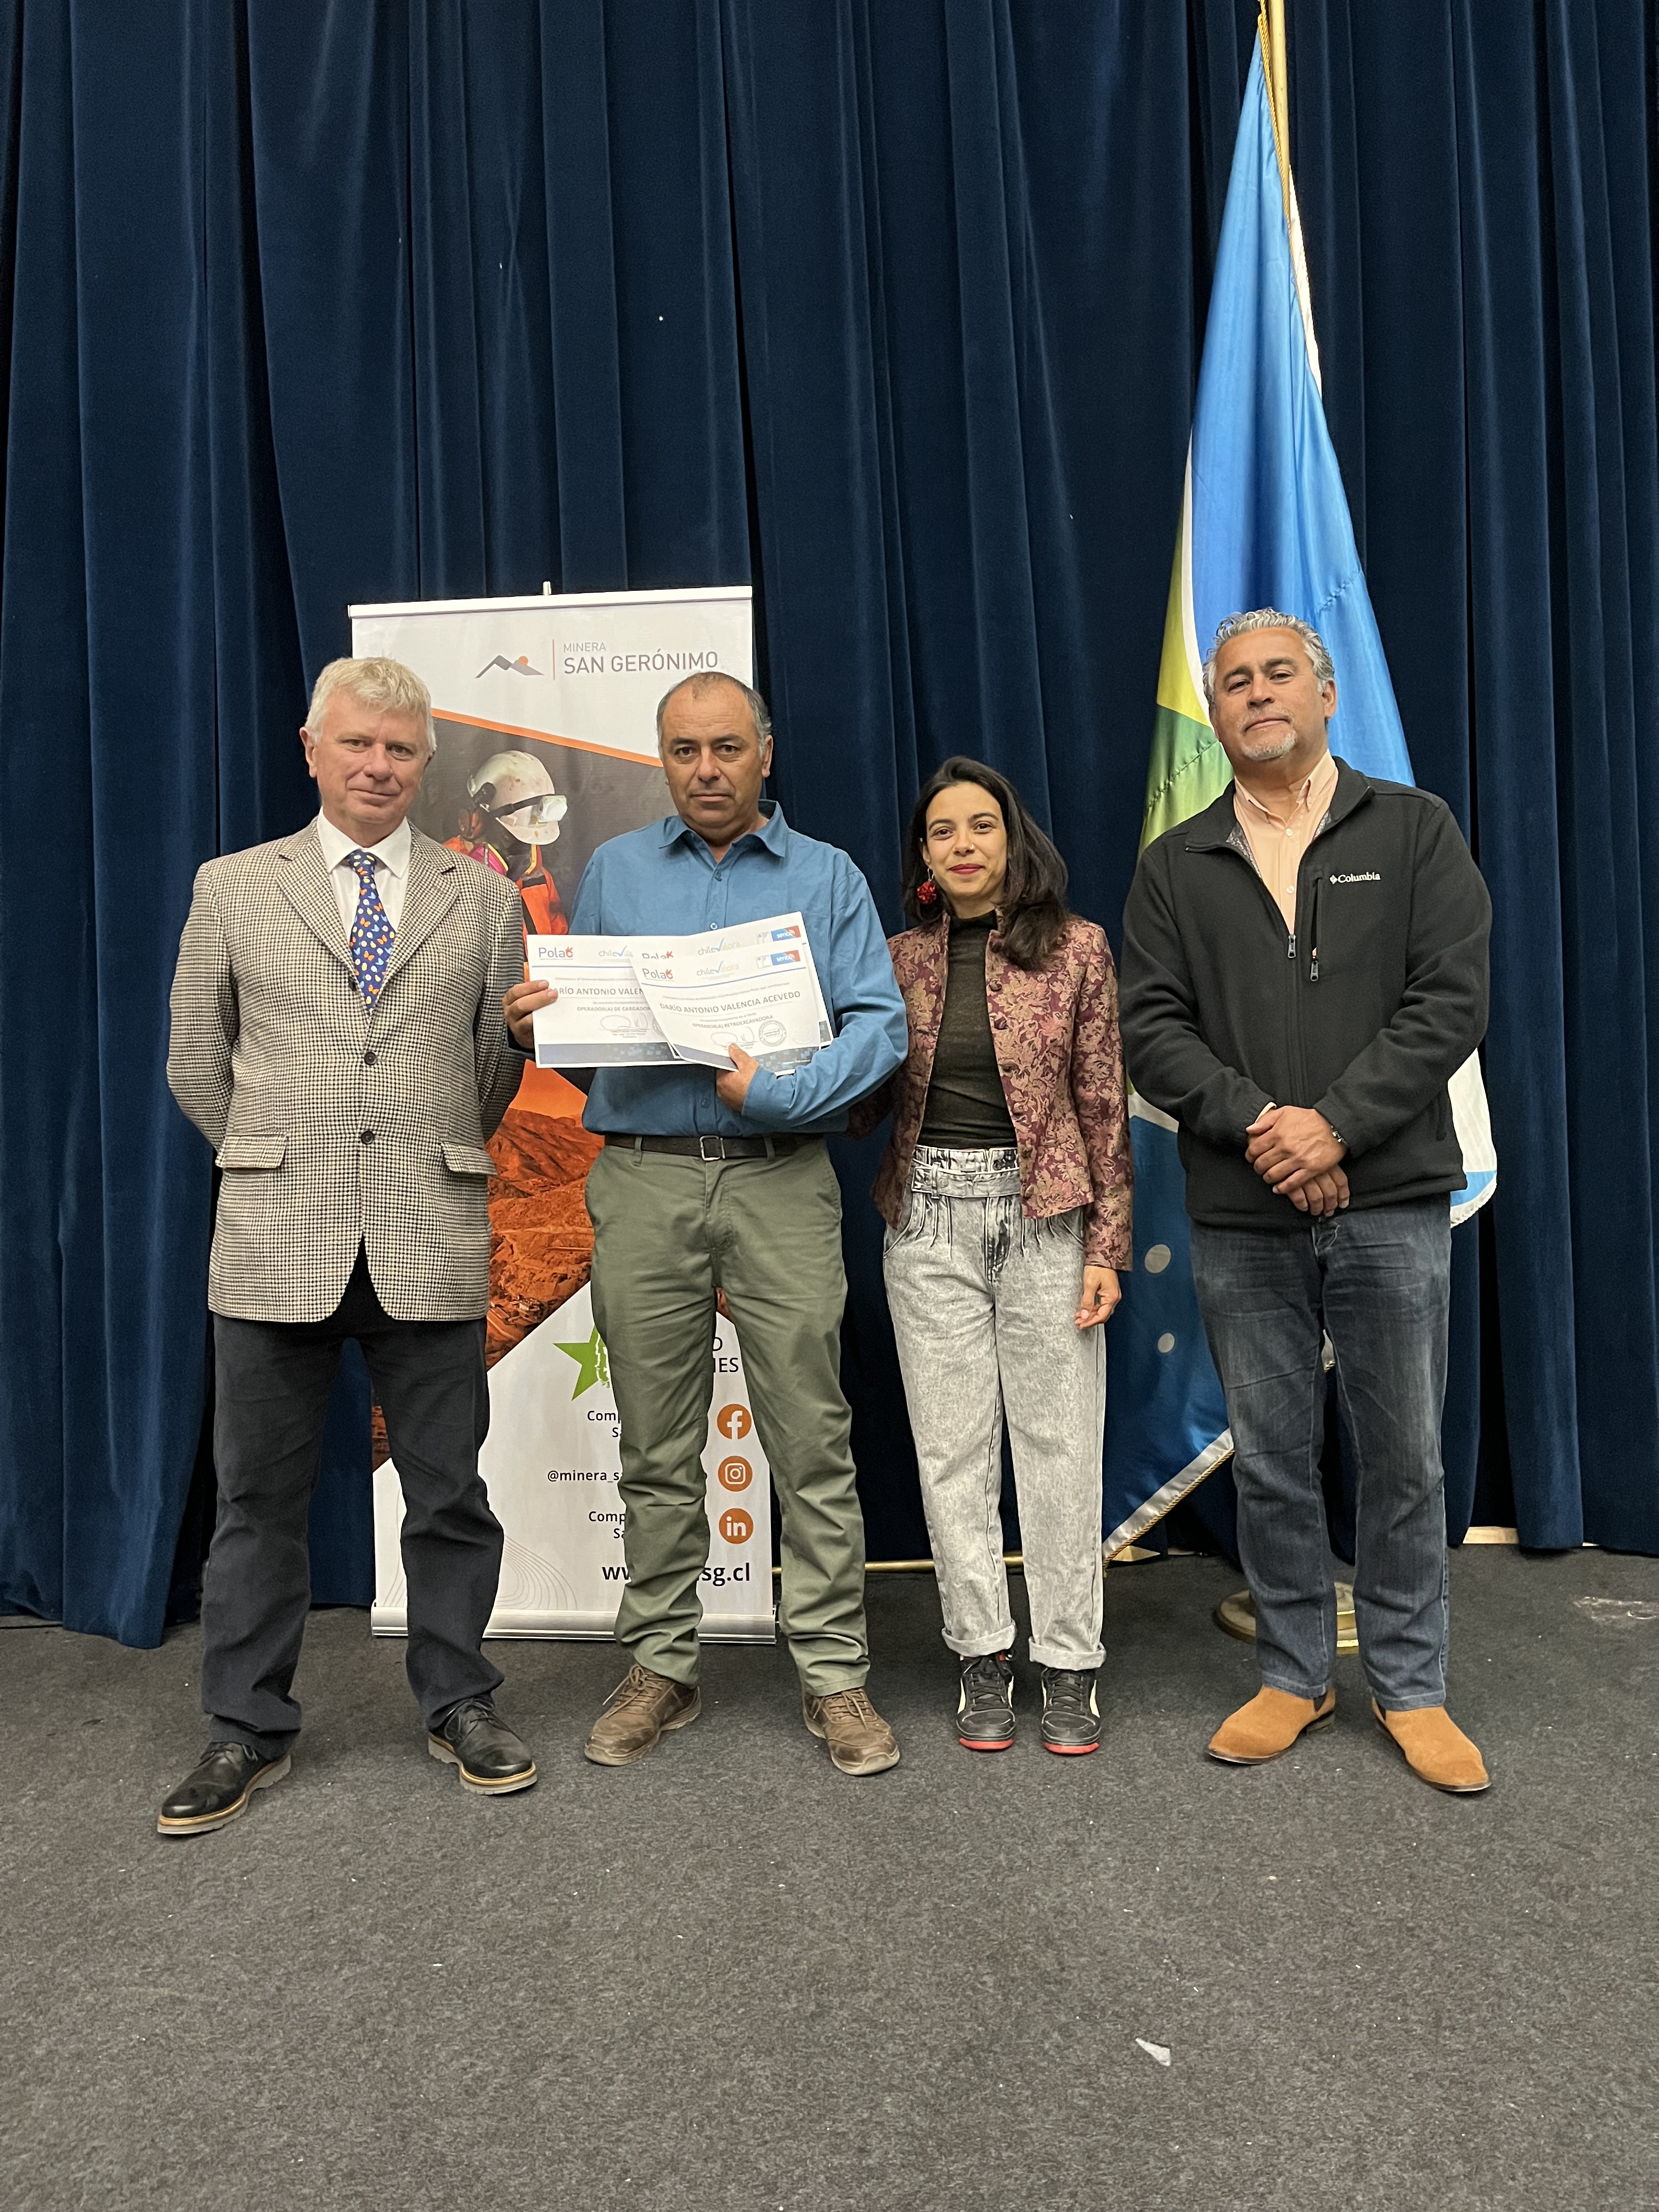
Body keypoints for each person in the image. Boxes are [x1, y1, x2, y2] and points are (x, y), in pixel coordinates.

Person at [504, 670, 909, 1776]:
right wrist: (539, 1029)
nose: (707, 770)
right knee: (655, 1441)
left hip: (781, 1178)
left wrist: (779, 1093)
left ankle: (832, 1672)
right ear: (663, 759)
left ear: (764, 753)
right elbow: (584, 1046)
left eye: (727, 748)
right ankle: (662, 1665)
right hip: (643, 1181)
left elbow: (880, 1028)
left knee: (811, 1439)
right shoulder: (617, 870)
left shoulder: (825, 875)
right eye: (684, 751)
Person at [160, 656, 537, 1836]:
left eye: (400, 749)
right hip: (277, 1233)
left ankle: (461, 1702)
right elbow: (196, 1061)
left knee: (450, 1495)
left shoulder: (485, 900)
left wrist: (423, 1148)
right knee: (255, 1501)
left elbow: (492, 1069)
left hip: (430, 1226)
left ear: (426, 765)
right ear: (313, 749)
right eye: (358, 743)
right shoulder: (232, 886)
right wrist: (276, 1157)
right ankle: (244, 1725)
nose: (378, 765)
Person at [1119, 608, 1493, 1793]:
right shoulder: (1175, 864)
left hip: (1391, 1200)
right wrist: (1266, 1130)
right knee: (1273, 1459)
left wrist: (1334, 1125)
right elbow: (1150, 1030)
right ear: (1214, 712)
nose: (1256, 694)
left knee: (1403, 1458)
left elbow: (1450, 1000)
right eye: (1234, 682)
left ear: (1324, 695)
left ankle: (1411, 1686)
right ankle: (1292, 1674)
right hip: (1242, 1211)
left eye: (1278, 673)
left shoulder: (1415, 828)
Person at [850, 759, 1132, 1754]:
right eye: (942, 831)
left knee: (1060, 1447)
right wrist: (797, 1045)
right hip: (925, 1220)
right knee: (951, 1451)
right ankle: (981, 1652)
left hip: (1045, 1217)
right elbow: (861, 1104)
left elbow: (1102, 1103)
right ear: (923, 857)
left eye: (981, 825)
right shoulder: (893, 960)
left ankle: (1069, 1660)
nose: (963, 844)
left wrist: (1107, 1245)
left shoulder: (1078, 948)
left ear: (1012, 839)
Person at [445, 747, 571, 936]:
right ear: (477, 820)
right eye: (512, 836)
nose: (523, 851)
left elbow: (558, 941)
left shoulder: (540, 879)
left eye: (528, 839)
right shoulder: (442, 871)